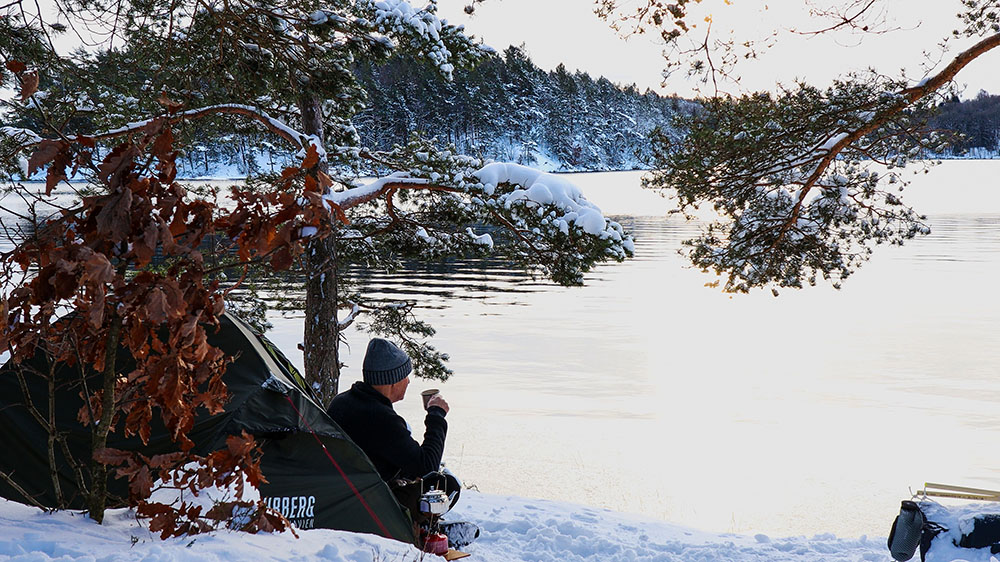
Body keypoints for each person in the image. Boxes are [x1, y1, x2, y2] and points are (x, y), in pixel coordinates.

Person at [327, 338, 451, 483]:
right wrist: (436, 416)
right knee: (446, 484)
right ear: (393, 382)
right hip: (370, 498)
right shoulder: (380, 418)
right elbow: (427, 468)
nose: (408, 381)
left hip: (344, 487)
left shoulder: (342, 401)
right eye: (405, 376)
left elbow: (377, 451)